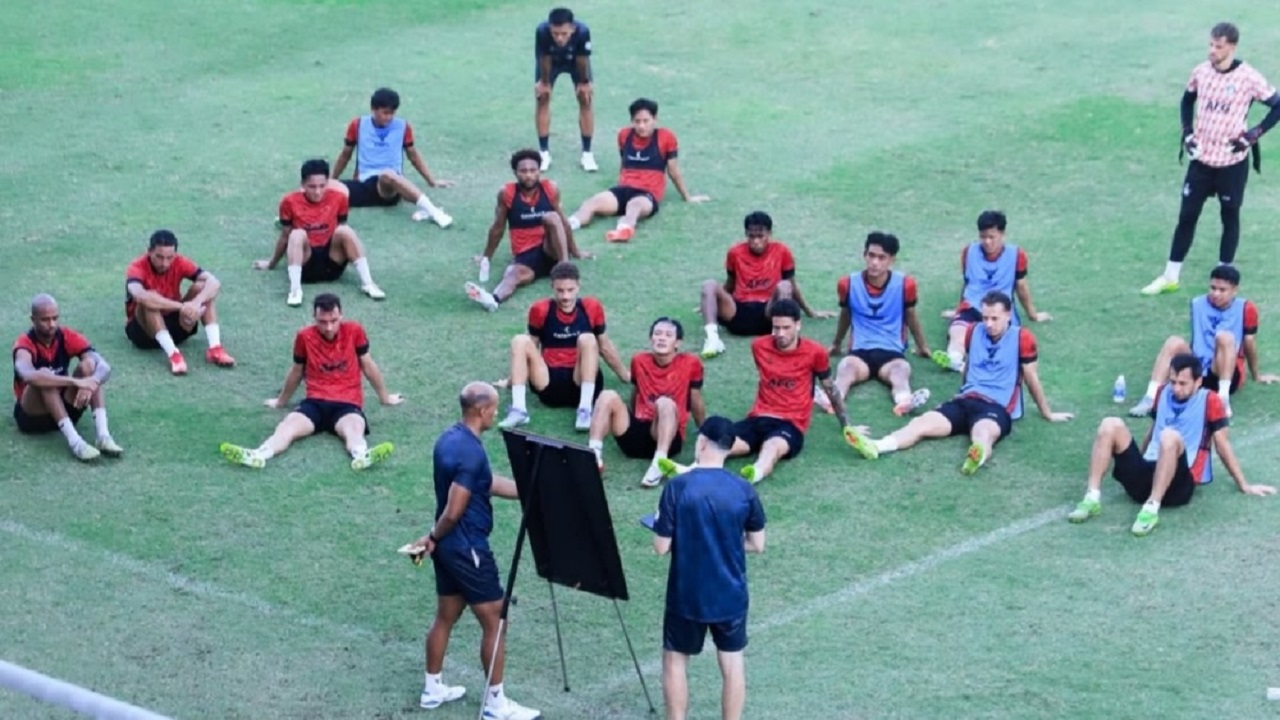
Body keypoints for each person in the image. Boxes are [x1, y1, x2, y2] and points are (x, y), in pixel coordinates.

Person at [409, 382, 540, 720]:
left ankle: (432, 688)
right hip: (467, 549)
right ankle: (496, 705)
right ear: (482, 411)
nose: (496, 413)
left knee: (446, 616)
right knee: (496, 621)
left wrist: (529, 491)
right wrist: (433, 536)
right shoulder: (471, 452)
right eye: (495, 408)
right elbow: (455, 509)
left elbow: (487, 482)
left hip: (450, 548)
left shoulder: (449, 440)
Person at [846, 291, 1073, 474]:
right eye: (985, 318)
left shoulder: (1022, 338)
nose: (989, 324)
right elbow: (970, 366)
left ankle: (977, 457)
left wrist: (1047, 413)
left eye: (995, 318)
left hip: (995, 407)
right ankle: (876, 446)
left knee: (983, 433)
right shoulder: (973, 332)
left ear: (1008, 315)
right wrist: (959, 393)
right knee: (921, 423)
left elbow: (1031, 377)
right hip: (966, 400)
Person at [1141, 22, 1280, 296]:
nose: (1212, 51)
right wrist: (1187, 132)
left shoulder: (1248, 77)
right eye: (1211, 45)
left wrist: (1253, 134)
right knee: (1187, 216)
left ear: (1232, 46)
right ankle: (1171, 276)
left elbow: (1277, 105)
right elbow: (1186, 101)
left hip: (1232, 164)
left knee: (1229, 216)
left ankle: (1224, 279)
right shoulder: (1201, 72)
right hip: (1202, 161)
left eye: (1218, 47)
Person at [1068, 353, 1274, 536]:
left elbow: (1222, 444)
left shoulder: (1210, 401)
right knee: (1110, 424)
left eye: (1183, 383)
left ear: (1198, 382)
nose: (1176, 388)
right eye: (1173, 381)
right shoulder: (1163, 393)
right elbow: (1154, 429)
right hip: (1144, 479)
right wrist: (1136, 458)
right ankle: (1092, 498)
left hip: (1178, 488)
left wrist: (1244, 484)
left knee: (1169, 436)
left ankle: (1151, 509)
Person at [665, 300, 858, 485]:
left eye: (786, 328)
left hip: (791, 423)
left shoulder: (815, 352)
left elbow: (830, 389)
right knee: (717, 437)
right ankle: (694, 468)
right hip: (758, 417)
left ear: (798, 325)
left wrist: (846, 426)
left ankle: (755, 473)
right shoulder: (759, 347)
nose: (780, 333)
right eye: (776, 328)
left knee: (772, 447)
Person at [652, 415, 766, 720]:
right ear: (729, 449)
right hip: (730, 595)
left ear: (702, 442)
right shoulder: (744, 489)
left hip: (686, 594)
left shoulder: (678, 488)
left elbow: (661, 546)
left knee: (675, 660)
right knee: (732, 664)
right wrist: (727, 540)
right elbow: (757, 543)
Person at [218, 293, 400, 471]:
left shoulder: (354, 331)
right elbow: (297, 371)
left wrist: (385, 397)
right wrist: (281, 401)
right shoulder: (304, 337)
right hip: (315, 403)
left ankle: (361, 455)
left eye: (334, 321)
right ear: (314, 317)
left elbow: (368, 365)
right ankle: (259, 454)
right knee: (287, 425)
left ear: (341, 316)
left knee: (354, 428)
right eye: (323, 322)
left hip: (347, 403)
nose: (329, 327)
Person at [1129, 265, 1278, 418]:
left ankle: (1223, 398)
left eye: (1222, 290)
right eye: (1213, 288)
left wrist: (1256, 374)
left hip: (1223, 371)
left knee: (1224, 337)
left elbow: (1249, 343)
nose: (1215, 294)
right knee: (1173, 342)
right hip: (1198, 369)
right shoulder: (1197, 303)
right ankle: (1150, 398)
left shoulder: (1246, 308)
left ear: (1235, 290)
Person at [496, 261, 628, 432]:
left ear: (578, 287)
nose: (565, 296)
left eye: (570, 290)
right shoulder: (540, 309)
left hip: (581, 380)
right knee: (520, 340)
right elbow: (529, 350)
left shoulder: (591, 307)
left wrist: (625, 375)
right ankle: (519, 410)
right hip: (549, 384)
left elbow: (604, 347)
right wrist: (510, 381)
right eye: (560, 290)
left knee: (588, 339)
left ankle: (585, 410)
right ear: (552, 287)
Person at [565, 98, 709, 243]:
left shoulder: (665, 137)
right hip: (623, 190)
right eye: (637, 121)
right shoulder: (624, 135)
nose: (641, 126)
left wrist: (687, 197)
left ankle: (623, 229)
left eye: (646, 121)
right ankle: (568, 225)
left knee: (634, 206)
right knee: (592, 202)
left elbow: (673, 171)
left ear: (655, 119)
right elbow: (625, 162)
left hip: (647, 194)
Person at [465, 149, 592, 312]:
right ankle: (493, 299)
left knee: (552, 217)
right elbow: (498, 227)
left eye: (533, 170)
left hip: (551, 249)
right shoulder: (507, 193)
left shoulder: (550, 189)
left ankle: (565, 270)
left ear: (539, 171)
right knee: (511, 275)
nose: (529, 175)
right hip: (525, 256)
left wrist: (576, 251)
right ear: (515, 173)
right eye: (523, 171)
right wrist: (486, 257)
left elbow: (563, 223)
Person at [587, 317, 707, 487]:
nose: (661, 338)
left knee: (664, 402)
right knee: (607, 395)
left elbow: (695, 399)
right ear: (651, 338)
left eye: (668, 335)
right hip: (636, 434)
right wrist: (626, 416)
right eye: (657, 333)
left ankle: (659, 463)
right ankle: (593, 454)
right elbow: (636, 392)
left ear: (677, 343)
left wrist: (704, 430)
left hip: (666, 436)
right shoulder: (639, 360)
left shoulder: (690, 363)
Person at [698, 211, 832, 359]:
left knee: (784, 286)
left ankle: (781, 340)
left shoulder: (781, 251)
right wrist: (711, 302)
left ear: (769, 233)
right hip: (739, 311)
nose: (756, 241)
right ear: (746, 234)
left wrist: (809, 311)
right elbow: (731, 283)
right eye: (751, 236)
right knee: (708, 285)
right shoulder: (735, 253)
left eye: (760, 236)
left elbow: (792, 285)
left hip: (769, 313)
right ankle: (713, 340)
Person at [255, 158, 386, 307]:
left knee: (345, 230)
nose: (317, 192)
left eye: (322, 186)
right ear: (302, 184)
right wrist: (271, 263)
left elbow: (341, 231)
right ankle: (295, 290)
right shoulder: (289, 202)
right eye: (312, 186)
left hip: (332, 264)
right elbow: (285, 236)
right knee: (297, 234)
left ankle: (368, 283)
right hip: (306, 264)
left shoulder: (339, 198)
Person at [829, 231, 933, 416]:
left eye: (881, 257)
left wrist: (922, 346)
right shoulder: (847, 284)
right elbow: (846, 315)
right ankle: (833, 401)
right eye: (871, 255)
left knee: (900, 373)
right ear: (864, 255)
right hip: (860, 352)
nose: (875, 262)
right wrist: (836, 343)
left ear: (891, 259)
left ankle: (904, 402)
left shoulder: (905, 284)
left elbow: (911, 316)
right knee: (845, 370)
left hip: (891, 352)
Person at [933, 211, 1050, 373]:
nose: (987, 242)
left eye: (991, 237)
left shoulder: (1016, 255)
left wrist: (1033, 314)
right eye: (983, 237)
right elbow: (968, 283)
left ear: (1002, 234)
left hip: (998, 310)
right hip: (972, 306)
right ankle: (955, 359)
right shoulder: (969, 252)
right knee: (957, 331)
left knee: (993, 338)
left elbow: (1021, 287)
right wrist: (958, 309)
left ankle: (975, 362)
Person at [13, 294, 121, 461]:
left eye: (55, 318)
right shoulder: (24, 343)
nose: (52, 324)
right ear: (32, 319)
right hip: (33, 417)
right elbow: (28, 375)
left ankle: (103, 435)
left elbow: (104, 366)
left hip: (64, 407)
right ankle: (76, 443)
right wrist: (75, 381)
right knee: (45, 377)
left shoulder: (66, 336)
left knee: (90, 365)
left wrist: (92, 381)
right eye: (45, 320)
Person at [330, 86, 454, 228]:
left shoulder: (403, 127)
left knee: (387, 175)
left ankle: (435, 212)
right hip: (365, 184)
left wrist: (432, 181)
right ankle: (423, 211)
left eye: (392, 113)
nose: (389, 117)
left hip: (389, 185)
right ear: (373, 109)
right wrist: (332, 179)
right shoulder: (357, 125)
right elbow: (346, 154)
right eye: (385, 113)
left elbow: (413, 156)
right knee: (326, 190)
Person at [125, 229, 236, 376]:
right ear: (149, 252)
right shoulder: (137, 267)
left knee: (202, 287)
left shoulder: (180, 262)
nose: (165, 263)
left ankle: (215, 349)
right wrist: (182, 306)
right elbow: (140, 295)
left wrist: (196, 303)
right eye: (159, 257)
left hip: (176, 326)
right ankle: (174, 356)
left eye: (169, 258)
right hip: (144, 333)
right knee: (149, 300)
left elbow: (214, 282)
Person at [534, 7, 596, 173]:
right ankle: (544, 153)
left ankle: (587, 153)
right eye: (555, 34)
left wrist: (584, 82)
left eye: (564, 34)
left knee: (586, 99)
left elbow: (582, 59)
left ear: (572, 29)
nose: (559, 38)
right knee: (543, 98)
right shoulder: (542, 31)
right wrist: (545, 82)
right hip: (551, 63)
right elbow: (544, 58)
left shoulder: (582, 31)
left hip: (575, 62)